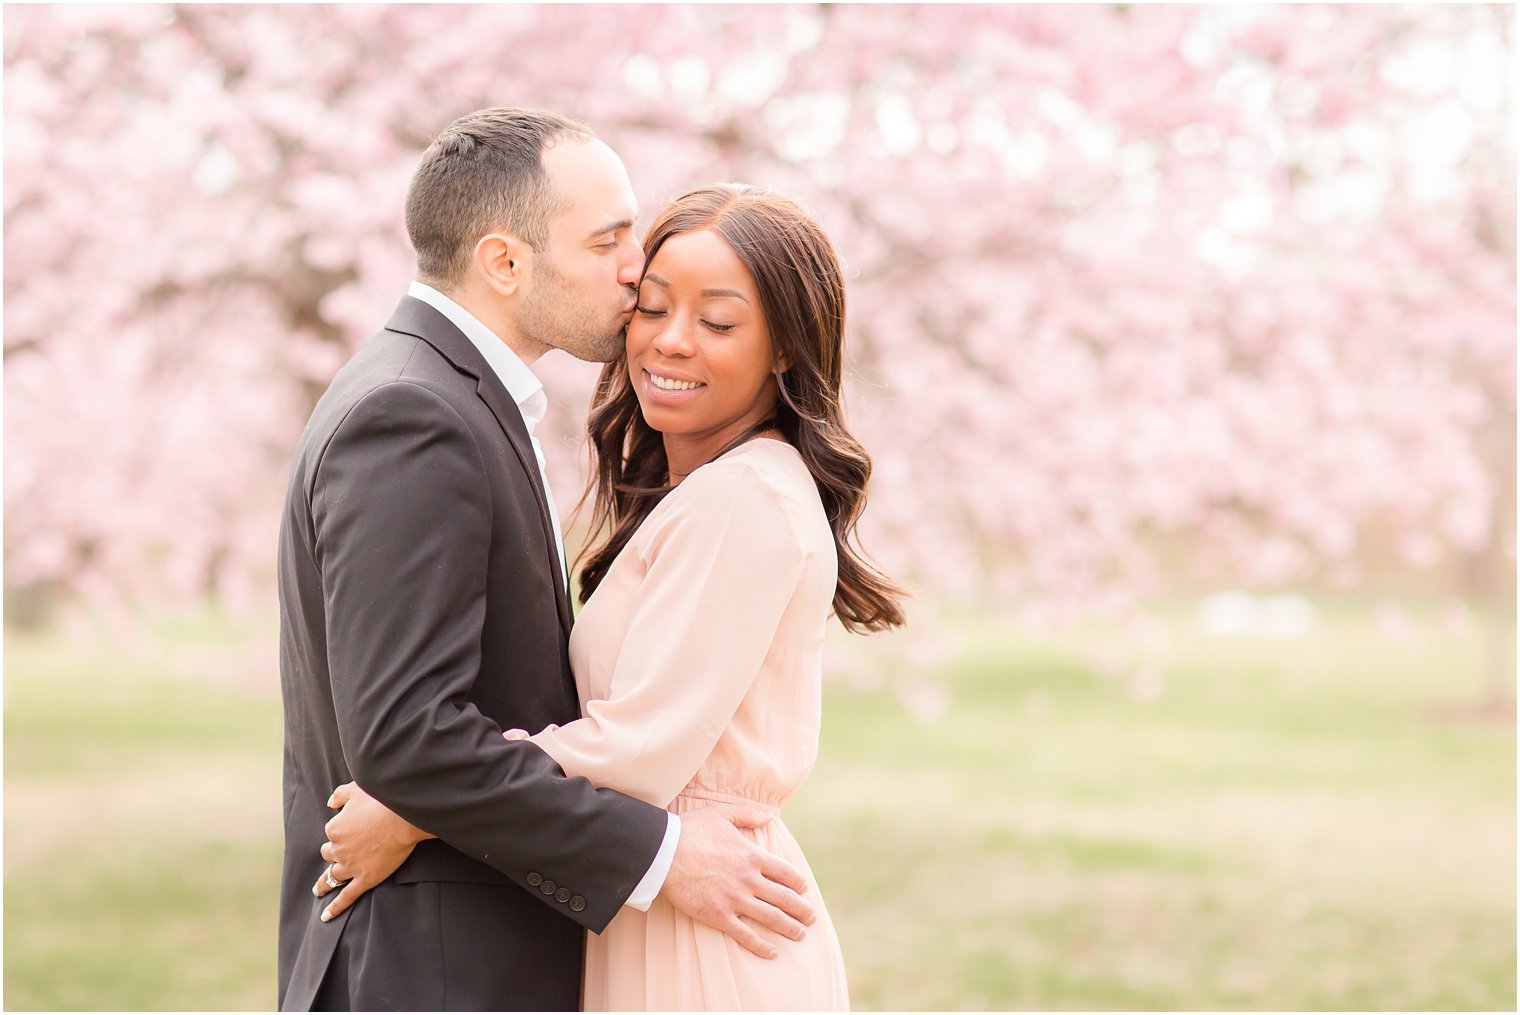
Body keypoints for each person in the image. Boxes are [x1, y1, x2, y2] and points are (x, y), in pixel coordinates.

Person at [314, 183, 909, 1010]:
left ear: (784, 348)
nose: (670, 342)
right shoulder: (714, 489)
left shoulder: (741, 499)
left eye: (718, 322)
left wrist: (416, 808)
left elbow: (637, 748)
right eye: (652, 307)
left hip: (704, 932)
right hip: (657, 902)